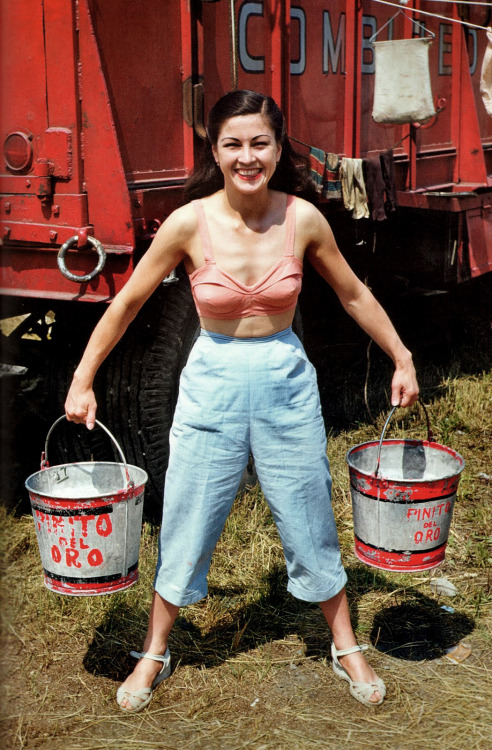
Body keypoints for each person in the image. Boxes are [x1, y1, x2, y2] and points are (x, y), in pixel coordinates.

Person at [65, 90, 419, 713]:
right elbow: (125, 304)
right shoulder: (188, 223)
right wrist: (83, 377)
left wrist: (402, 356)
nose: (247, 157)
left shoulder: (303, 219)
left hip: (285, 379)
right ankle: (154, 650)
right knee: (187, 513)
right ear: (215, 150)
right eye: (233, 144)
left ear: (279, 149)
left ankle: (344, 644)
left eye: (260, 143)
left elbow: (355, 294)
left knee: (308, 507)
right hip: (213, 382)